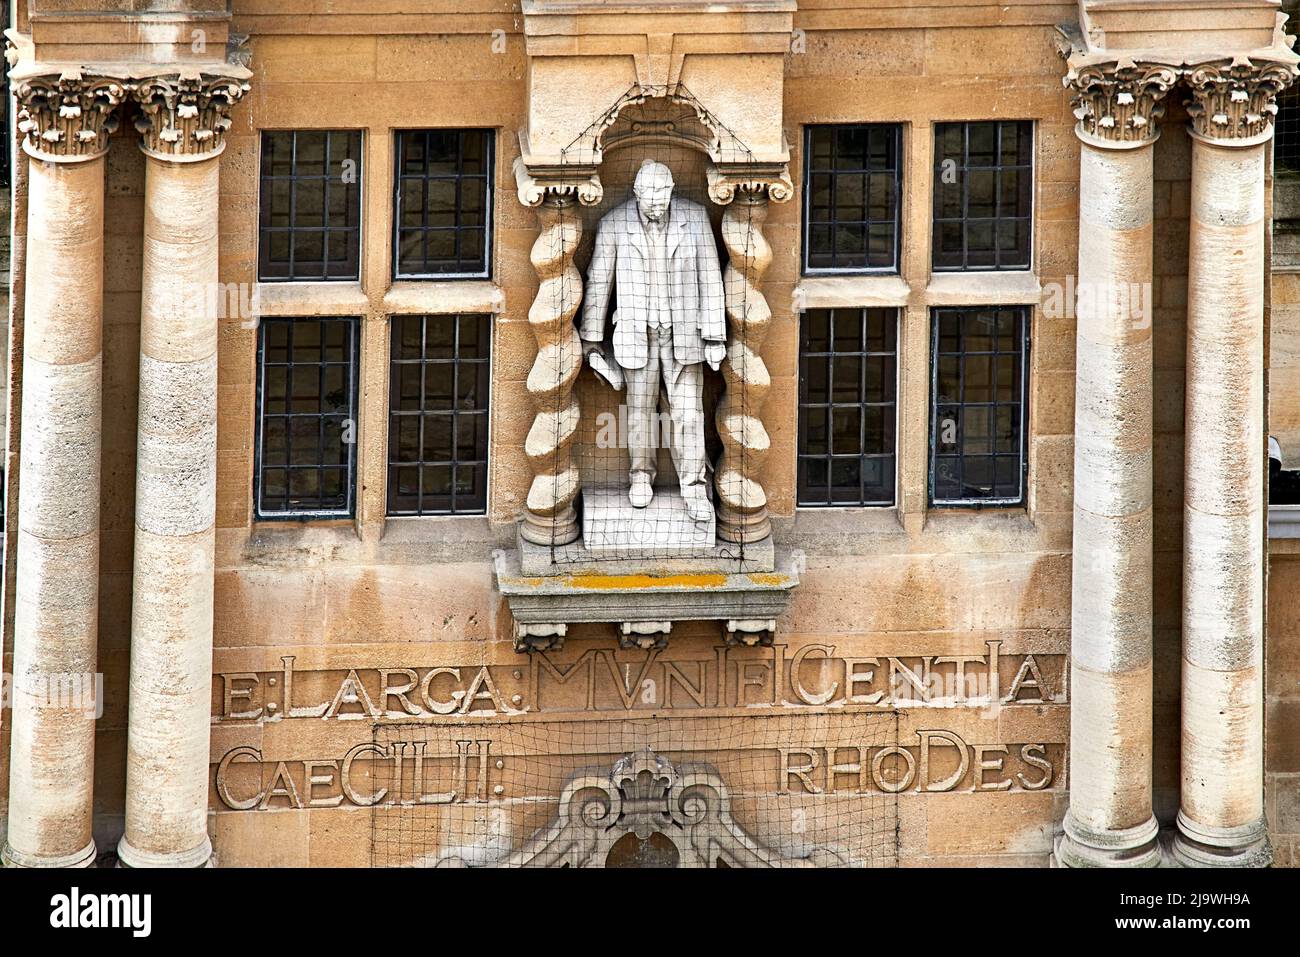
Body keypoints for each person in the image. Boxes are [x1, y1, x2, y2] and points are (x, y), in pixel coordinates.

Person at [580, 159, 726, 522]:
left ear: (672, 190)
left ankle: (694, 489)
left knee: (689, 415)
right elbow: (600, 283)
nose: (658, 203)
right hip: (635, 334)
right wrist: (592, 340)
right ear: (637, 194)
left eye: (664, 195)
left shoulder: (694, 219)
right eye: (650, 197)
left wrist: (714, 335)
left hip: (684, 336)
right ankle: (640, 478)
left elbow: (711, 277)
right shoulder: (613, 223)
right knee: (640, 414)